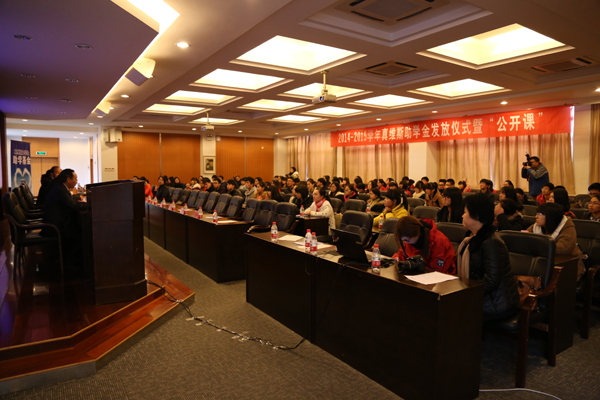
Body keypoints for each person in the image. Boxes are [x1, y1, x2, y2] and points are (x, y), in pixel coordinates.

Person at [457, 193, 520, 320]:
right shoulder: (471, 238)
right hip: (480, 296)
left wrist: (464, 291)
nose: (462, 216)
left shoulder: (491, 242)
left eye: (465, 212)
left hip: (495, 303)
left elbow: (491, 282)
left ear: (476, 216)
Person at [41, 169, 86, 270]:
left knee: (78, 227)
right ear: (68, 179)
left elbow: (68, 201)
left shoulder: (60, 187)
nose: (76, 181)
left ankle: (70, 261)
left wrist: (77, 198)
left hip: (55, 222)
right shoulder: (60, 189)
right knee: (80, 234)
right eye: (75, 179)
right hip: (55, 226)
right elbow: (72, 205)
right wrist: (89, 204)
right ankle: (71, 264)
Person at [527, 202, 586, 280]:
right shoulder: (536, 226)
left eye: (540, 214)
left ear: (550, 217)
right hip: (543, 263)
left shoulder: (567, 227)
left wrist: (536, 247)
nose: (536, 216)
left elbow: (563, 248)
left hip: (567, 266)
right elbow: (525, 239)